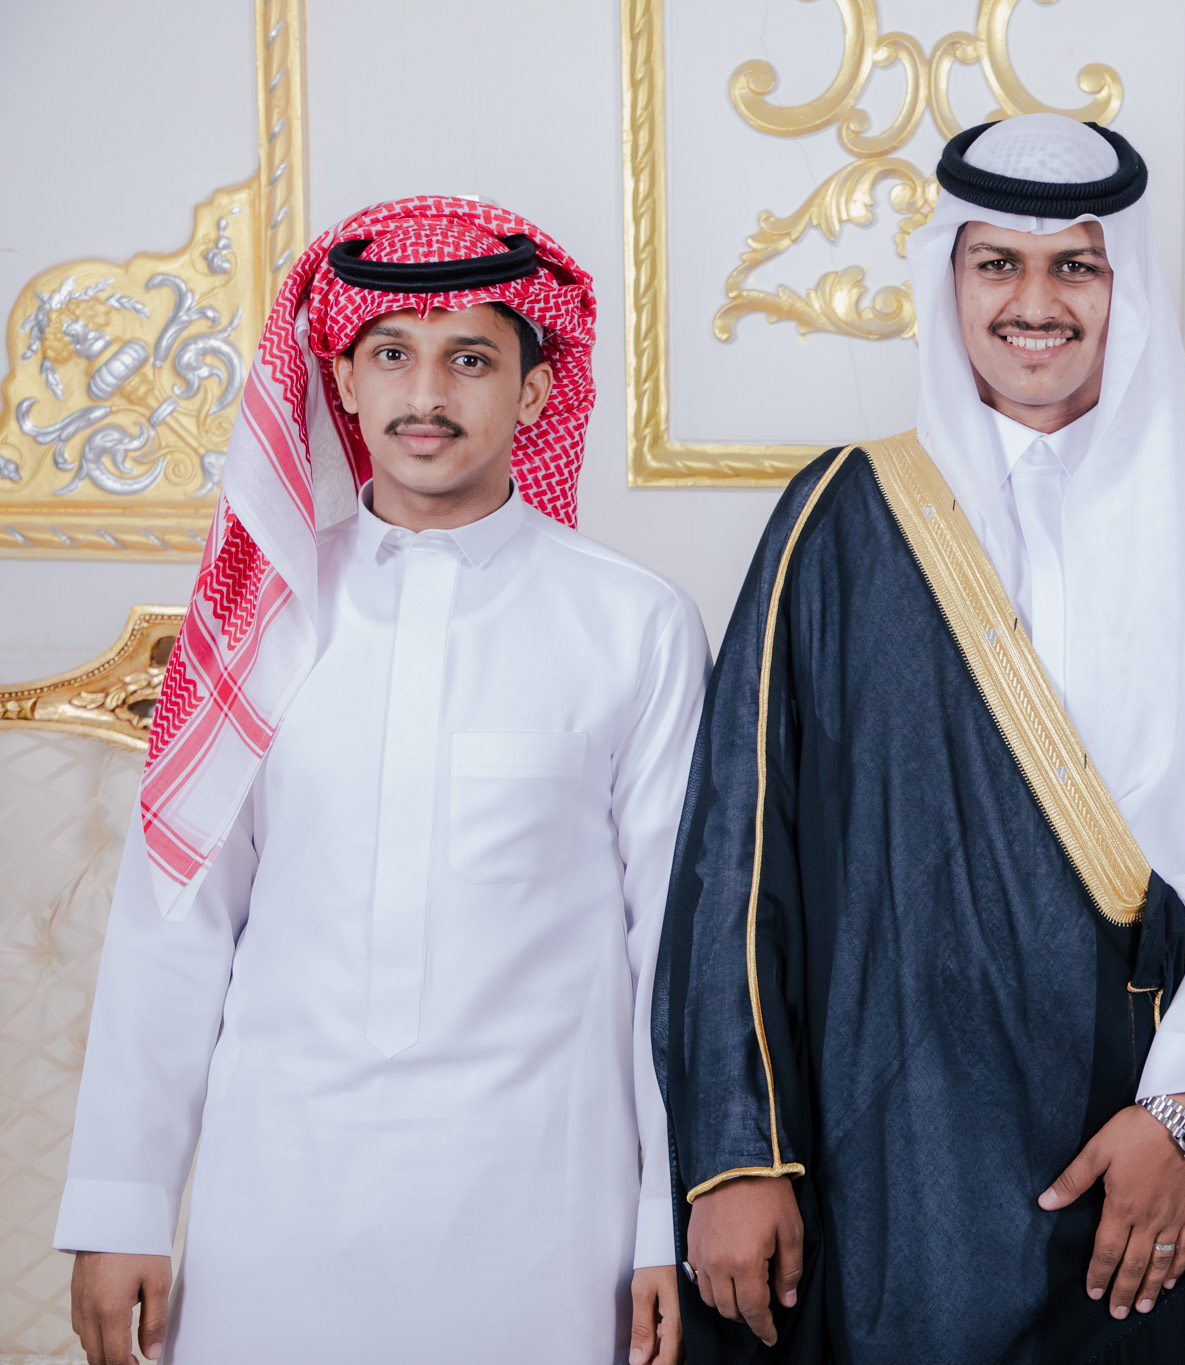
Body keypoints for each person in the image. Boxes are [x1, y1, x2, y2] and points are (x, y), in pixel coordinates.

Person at [658, 114, 1185, 1362]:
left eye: (1074, 266)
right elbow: (741, 853)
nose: (1035, 303)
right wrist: (739, 1152)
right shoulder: (844, 517)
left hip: (1156, 1162)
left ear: (1122, 285)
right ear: (948, 279)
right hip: (905, 1165)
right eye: (997, 263)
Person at [56, 198, 704, 1365]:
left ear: (536, 390)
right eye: (391, 355)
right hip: (280, 1198)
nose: (427, 395)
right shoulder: (261, 617)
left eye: (471, 360)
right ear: (343, 383)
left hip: (548, 1212)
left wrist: (665, 1222)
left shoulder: (633, 624)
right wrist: (122, 1206)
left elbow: (674, 955)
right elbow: (176, 923)